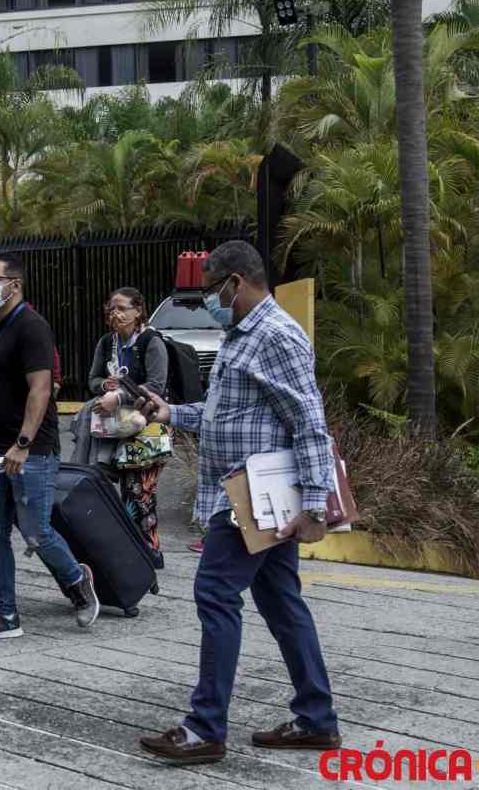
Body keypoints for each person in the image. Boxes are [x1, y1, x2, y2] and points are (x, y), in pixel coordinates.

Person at [134, 240, 340, 765]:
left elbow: (310, 424)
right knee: (281, 603)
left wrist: (315, 506)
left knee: (216, 593)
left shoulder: (275, 335)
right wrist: (170, 412)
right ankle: (317, 720)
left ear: (238, 282)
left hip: (254, 497)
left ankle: (205, 728)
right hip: (251, 496)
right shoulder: (239, 334)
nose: (208, 300)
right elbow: (226, 415)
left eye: (210, 290)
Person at [0, 255, 99, 642]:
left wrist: (22, 443)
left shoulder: (32, 327)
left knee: (35, 531)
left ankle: (76, 579)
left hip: (30, 449)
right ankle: (5, 615)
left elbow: (41, 390)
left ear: (14, 285)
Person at [87, 287, 169, 561]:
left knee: (140, 490)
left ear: (138, 310)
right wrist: (103, 385)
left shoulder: (150, 341)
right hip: (116, 426)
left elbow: (156, 385)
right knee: (117, 488)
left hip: (148, 425)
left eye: (122, 308)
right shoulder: (105, 343)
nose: (115, 313)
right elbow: (92, 380)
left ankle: (150, 551)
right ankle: (131, 550)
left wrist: (119, 395)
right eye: (111, 308)